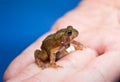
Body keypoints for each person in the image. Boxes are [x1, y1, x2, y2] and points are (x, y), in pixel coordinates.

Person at [3, 0, 120, 82]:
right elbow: (52, 52)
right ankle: (40, 62)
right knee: (44, 56)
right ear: (65, 36)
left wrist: (78, 45)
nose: (73, 34)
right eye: (70, 33)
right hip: (47, 48)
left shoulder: (65, 41)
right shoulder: (58, 43)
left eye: (71, 31)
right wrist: (51, 63)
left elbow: (69, 42)